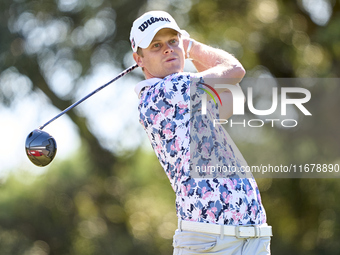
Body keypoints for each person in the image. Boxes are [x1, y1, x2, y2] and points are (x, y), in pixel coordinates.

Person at [130, 10, 272, 255]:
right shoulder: (165, 91)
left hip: (248, 239)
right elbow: (234, 70)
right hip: (212, 242)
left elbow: (229, 98)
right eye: (156, 45)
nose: (168, 49)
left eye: (172, 41)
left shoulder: (183, 95)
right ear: (138, 59)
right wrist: (191, 46)